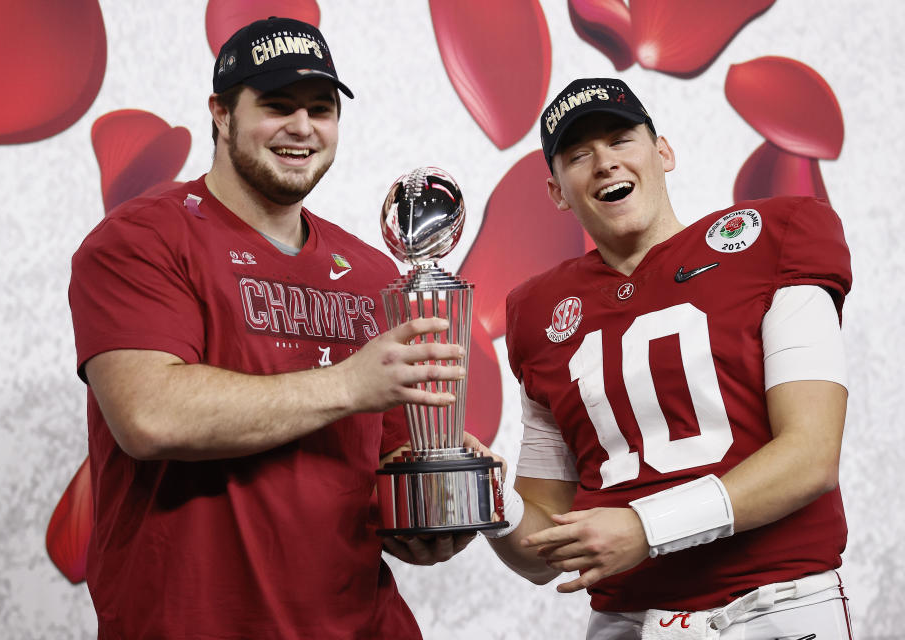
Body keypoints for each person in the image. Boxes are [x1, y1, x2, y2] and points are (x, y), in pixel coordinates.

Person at [69, 17, 473, 639]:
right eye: (277, 106)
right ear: (222, 114)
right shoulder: (140, 240)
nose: (303, 127)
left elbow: (384, 465)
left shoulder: (369, 270)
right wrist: (348, 382)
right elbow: (149, 415)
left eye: (322, 109)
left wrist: (432, 506)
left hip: (360, 623)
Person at [482, 78, 854, 639]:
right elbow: (545, 548)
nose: (604, 162)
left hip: (773, 606)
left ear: (663, 152)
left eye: (621, 139)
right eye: (579, 154)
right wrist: (488, 498)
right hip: (628, 621)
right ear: (557, 191)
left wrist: (645, 527)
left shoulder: (775, 239)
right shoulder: (538, 313)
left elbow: (811, 456)